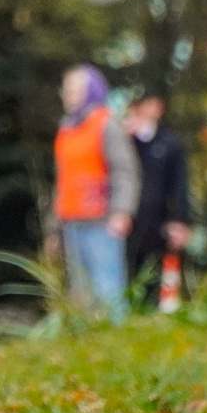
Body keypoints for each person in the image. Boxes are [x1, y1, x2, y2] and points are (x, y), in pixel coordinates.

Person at [50, 63, 139, 324]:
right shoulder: (66, 129)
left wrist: (122, 212)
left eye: (75, 91)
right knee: (80, 295)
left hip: (102, 222)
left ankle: (116, 342)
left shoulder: (106, 125)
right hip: (72, 223)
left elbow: (125, 171)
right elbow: (62, 181)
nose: (68, 97)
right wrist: (54, 228)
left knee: (108, 289)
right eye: (66, 91)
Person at [122, 93, 192, 307]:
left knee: (160, 280)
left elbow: (179, 185)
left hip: (159, 223)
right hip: (127, 221)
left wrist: (180, 220)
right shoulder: (124, 140)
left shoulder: (171, 144)